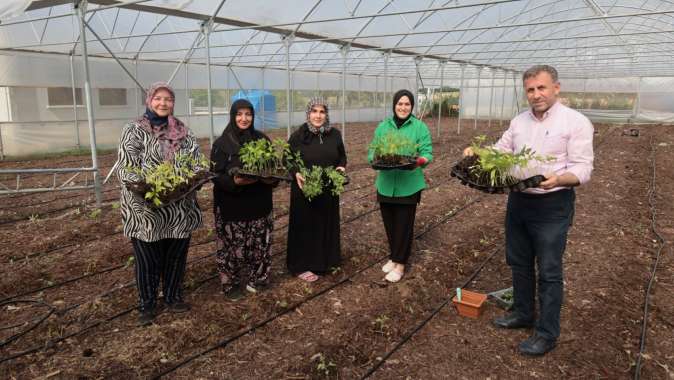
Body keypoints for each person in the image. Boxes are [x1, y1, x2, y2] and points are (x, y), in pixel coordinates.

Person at [463, 65, 594, 356]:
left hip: (553, 204)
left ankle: (546, 333)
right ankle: (523, 313)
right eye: (531, 90)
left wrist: (559, 179)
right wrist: (479, 153)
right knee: (519, 261)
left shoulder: (575, 122)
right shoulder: (519, 122)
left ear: (556, 88)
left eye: (542, 88)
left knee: (548, 270)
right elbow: (501, 150)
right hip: (519, 200)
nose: (536, 95)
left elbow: (583, 167)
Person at [116, 82, 203, 326]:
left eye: (168, 99)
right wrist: (146, 187)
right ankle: (147, 304)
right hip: (146, 209)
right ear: (149, 100)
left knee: (176, 256)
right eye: (158, 99)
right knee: (147, 259)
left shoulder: (183, 131)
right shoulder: (134, 130)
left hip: (179, 207)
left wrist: (194, 177)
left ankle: (174, 297)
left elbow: (196, 160)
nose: (163, 103)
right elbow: (126, 166)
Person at [210, 99, 278, 300]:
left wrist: (271, 179)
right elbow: (215, 176)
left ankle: (258, 278)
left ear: (253, 117)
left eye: (248, 114)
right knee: (231, 246)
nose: (244, 118)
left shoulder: (262, 141)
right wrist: (235, 182)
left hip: (259, 203)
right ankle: (230, 283)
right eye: (239, 114)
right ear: (232, 116)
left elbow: (274, 169)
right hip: (232, 205)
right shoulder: (221, 144)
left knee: (260, 243)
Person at [368, 89, 433, 283]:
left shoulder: (419, 127)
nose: (403, 107)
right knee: (390, 223)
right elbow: (373, 151)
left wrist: (420, 160)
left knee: (403, 225)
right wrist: (374, 159)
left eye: (407, 104)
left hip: (409, 185)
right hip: (386, 184)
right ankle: (393, 257)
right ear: (394, 105)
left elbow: (427, 152)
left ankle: (400, 264)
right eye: (400, 104)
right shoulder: (383, 127)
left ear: (412, 107)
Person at [286, 98, 347, 282]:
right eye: (314, 111)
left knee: (325, 223)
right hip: (306, 190)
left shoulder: (334, 134)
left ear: (326, 114)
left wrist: (341, 168)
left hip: (328, 189)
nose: (318, 115)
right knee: (305, 225)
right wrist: (296, 172)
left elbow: (342, 156)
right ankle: (301, 265)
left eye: (322, 111)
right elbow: (287, 159)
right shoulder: (299, 136)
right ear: (308, 113)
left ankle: (325, 262)